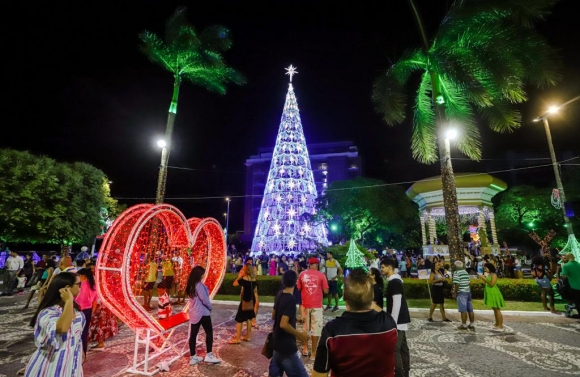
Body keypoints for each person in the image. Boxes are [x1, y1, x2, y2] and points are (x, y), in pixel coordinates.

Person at [312, 269, 397, 377]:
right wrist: (368, 296)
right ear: (372, 296)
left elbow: (318, 375)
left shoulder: (333, 331)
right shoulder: (388, 324)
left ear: (344, 297)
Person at [24, 272, 85, 376]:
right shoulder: (48, 312)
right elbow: (62, 328)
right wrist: (69, 300)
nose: (81, 287)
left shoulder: (76, 309)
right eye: (79, 284)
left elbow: (76, 334)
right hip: (51, 367)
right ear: (67, 288)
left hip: (71, 365)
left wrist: (81, 349)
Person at [269, 270, 310, 377]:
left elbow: (274, 315)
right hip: (287, 348)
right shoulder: (291, 299)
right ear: (296, 282)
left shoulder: (279, 294)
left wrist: (295, 319)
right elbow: (283, 324)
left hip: (276, 344)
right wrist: (300, 335)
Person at [381, 258, 411, 377]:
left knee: (395, 349)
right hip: (401, 320)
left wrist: (392, 323)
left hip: (398, 321)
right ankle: (405, 371)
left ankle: (400, 373)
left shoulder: (394, 282)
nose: (382, 269)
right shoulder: (395, 281)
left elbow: (397, 303)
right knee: (403, 347)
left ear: (390, 267)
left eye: (383, 267)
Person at [186, 266, 221, 365]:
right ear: (198, 275)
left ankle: (193, 357)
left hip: (194, 313)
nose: (203, 275)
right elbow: (205, 300)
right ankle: (209, 355)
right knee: (209, 332)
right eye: (202, 274)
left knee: (193, 335)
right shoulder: (199, 285)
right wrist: (210, 307)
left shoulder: (191, 285)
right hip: (203, 313)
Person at [296, 257, 328, 360]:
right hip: (317, 306)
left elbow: (299, 288)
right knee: (316, 330)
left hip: (305, 305)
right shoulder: (321, 275)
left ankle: (305, 348)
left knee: (306, 328)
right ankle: (313, 353)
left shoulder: (302, 274)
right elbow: (326, 291)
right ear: (317, 264)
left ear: (309, 264)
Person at [229, 260, 258, 343]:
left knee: (239, 319)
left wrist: (240, 276)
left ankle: (237, 338)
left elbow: (234, 284)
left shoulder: (244, 279)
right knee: (249, 318)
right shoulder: (254, 279)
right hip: (252, 300)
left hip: (245, 300)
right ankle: (247, 336)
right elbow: (255, 289)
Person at [75, 268, 98, 355]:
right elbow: (95, 301)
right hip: (88, 310)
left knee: (76, 333)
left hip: (79, 311)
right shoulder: (93, 285)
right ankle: (83, 352)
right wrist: (92, 312)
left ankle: (77, 353)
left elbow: (75, 299)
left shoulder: (80, 286)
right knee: (84, 333)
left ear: (82, 276)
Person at [479, 262, 505, 331]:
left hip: (494, 292)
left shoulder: (494, 275)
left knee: (497, 309)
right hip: (490, 292)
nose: (485, 269)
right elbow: (486, 283)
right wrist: (484, 278)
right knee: (494, 309)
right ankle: (497, 323)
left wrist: (484, 279)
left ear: (490, 268)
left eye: (486, 268)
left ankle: (500, 325)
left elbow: (492, 284)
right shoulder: (489, 274)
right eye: (484, 268)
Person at [452, 261, 475, 331]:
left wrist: (455, 292)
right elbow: (469, 283)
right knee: (470, 310)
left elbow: (457, 284)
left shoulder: (456, 273)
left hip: (461, 293)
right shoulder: (465, 272)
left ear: (455, 266)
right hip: (468, 292)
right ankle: (472, 325)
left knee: (463, 310)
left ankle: (464, 325)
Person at [561, 253, 580, 317]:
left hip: (573, 286)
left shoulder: (566, 266)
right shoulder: (579, 265)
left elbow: (564, 276)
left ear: (567, 257)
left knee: (577, 302)